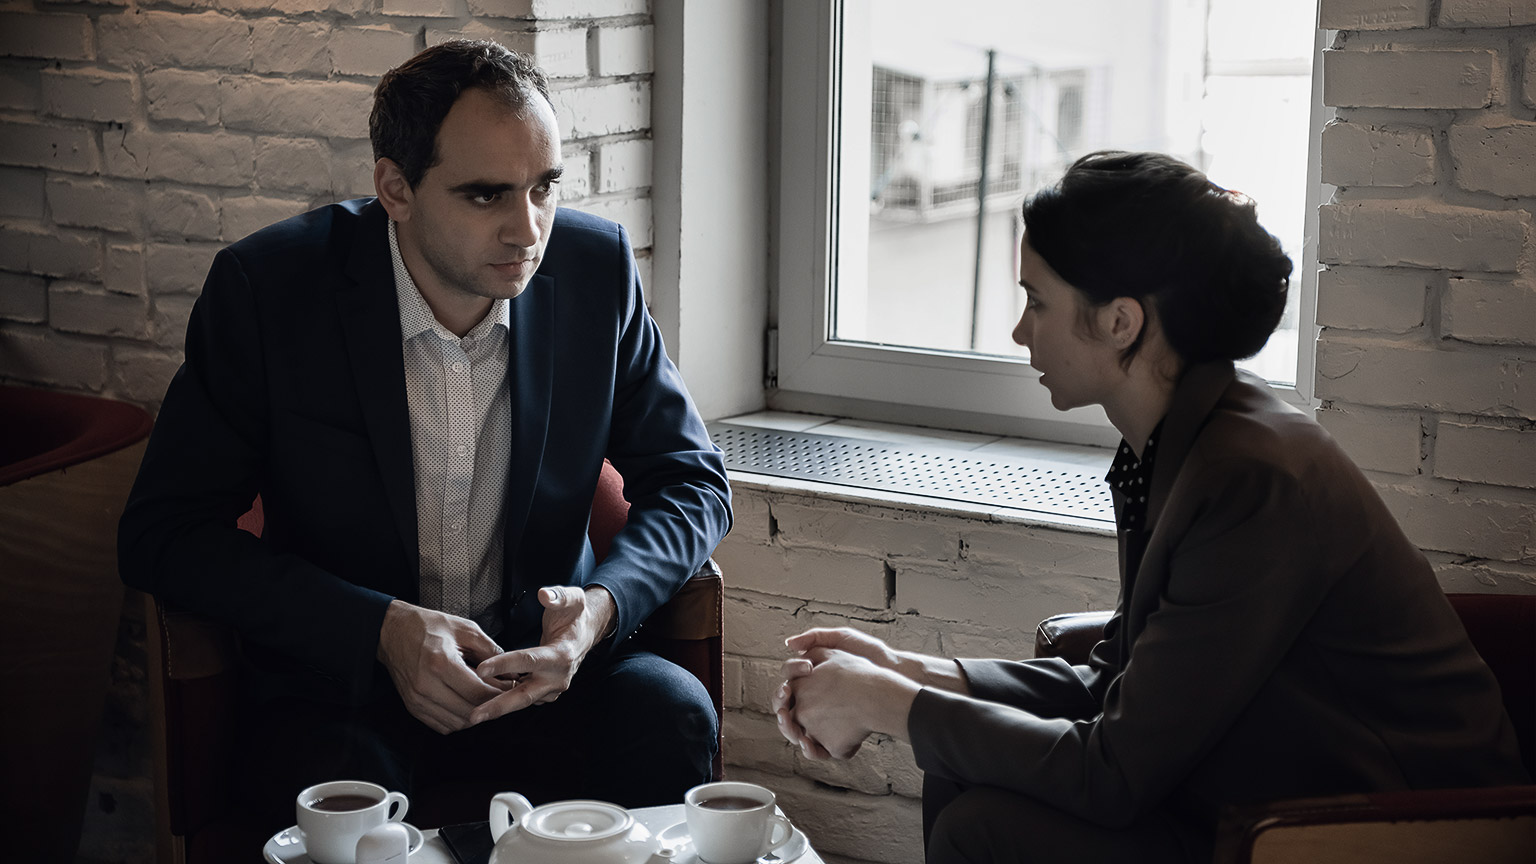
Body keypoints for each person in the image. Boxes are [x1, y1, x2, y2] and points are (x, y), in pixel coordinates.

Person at [772, 151, 1528, 863]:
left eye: (1037, 301)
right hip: (1260, 780)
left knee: (985, 822)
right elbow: (1116, 684)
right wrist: (911, 672)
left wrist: (889, 704)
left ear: (1121, 321)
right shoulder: (1180, 440)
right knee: (968, 772)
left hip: (1372, 828)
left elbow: (1112, 773)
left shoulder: (1250, 479)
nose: (1019, 330)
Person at [118, 40, 732, 829]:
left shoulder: (595, 270)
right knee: (332, 782)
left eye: (544, 187)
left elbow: (691, 479)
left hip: (543, 674)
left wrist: (601, 610)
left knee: (671, 712)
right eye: (486, 195)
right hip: (347, 690)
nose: (528, 230)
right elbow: (162, 533)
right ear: (394, 189)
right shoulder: (269, 293)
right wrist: (380, 629)